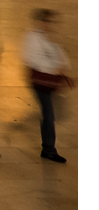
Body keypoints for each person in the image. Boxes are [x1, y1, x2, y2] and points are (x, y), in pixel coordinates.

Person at [23, 9, 72, 163]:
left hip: (49, 82)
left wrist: (61, 69)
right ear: (42, 22)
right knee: (48, 114)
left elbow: (61, 57)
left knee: (49, 114)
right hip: (40, 82)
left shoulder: (47, 38)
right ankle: (49, 149)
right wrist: (54, 70)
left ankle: (48, 148)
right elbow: (32, 60)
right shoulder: (32, 38)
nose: (53, 25)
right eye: (50, 21)